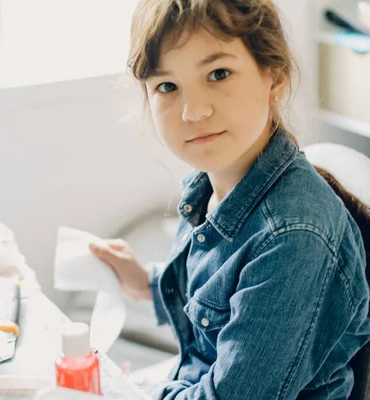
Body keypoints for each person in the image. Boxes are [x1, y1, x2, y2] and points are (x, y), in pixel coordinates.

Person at [89, 1, 370, 398]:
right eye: (167, 86)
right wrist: (148, 283)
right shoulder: (210, 187)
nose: (194, 110)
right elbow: (223, 298)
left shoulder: (293, 238)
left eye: (218, 74)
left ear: (273, 77)